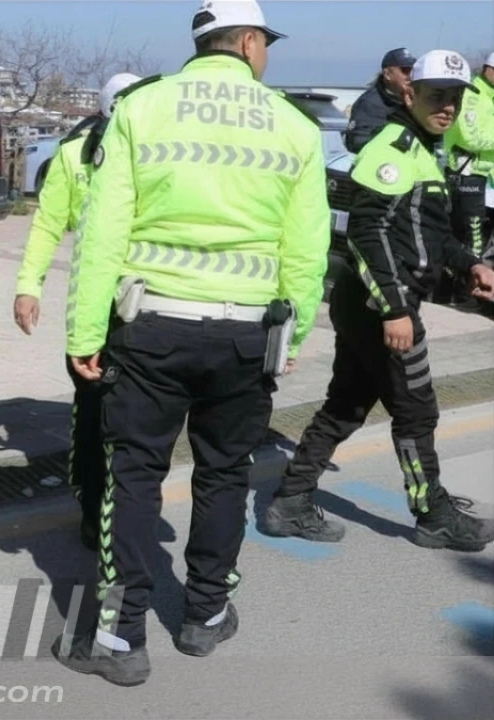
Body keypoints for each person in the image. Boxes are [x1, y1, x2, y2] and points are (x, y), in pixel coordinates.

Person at [58, 0, 330, 686]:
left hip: (152, 326)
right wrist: (293, 332)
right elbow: (306, 252)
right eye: (266, 44)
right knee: (225, 472)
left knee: (132, 475)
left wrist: (85, 332)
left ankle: (119, 638)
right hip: (246, 334)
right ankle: (205, 615)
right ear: (248, 42)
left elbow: (102, 233)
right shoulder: (294, 125)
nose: (266, 55)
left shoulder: (142, 108)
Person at [258, 51, 494, 551]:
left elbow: (430, 233)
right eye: (436, 95)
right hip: (381, 304)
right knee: (417, 412)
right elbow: (366, 234)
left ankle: (289, 501)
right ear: (410, 94)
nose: (447, 107)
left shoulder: (426, 150)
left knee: (346, 406)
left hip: (378, 301)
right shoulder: (392, 148)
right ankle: (432, 514)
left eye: (454, 98)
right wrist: (395, 309)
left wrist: (470, 263)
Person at [13, 71, 142, 552]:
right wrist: (28, 287)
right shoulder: (75, 156)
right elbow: (48, 223)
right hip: (94, 309)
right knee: (92, 413)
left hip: (148, 306)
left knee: (137, 417)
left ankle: (127, 508)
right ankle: (92, 508)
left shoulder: (159, 150)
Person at [435, 51, 494, 304]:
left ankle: (452, 293)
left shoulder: (489, 97)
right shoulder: (472, 95)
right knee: (472, 239)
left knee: (470, 237)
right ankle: (460, 295)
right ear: (489, 69)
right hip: (466, 176)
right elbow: (470, 138)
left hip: (483, 179)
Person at [345, 47, 416, 154]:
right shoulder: (369, 103)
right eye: (405, 70)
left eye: (413, 71)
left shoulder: (416, 101)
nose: (410, 76)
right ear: (387, 74)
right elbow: (357, 143)